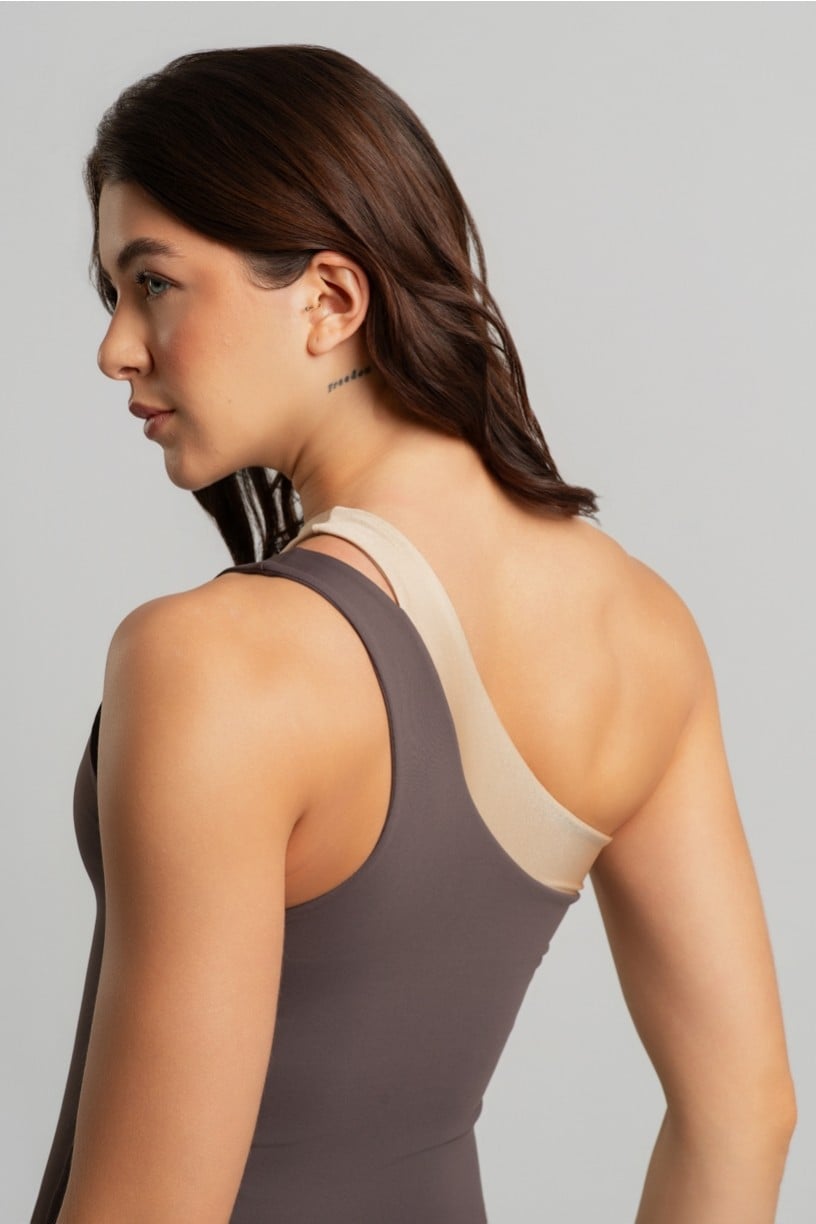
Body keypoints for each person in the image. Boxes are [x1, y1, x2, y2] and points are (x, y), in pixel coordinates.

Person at [31, 44, 795, 1224]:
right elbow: (746, 1113)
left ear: (331, 300)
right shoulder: (641, 629)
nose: (115, 347)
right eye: (113, 296)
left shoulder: (216, 661)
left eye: (155, 284)